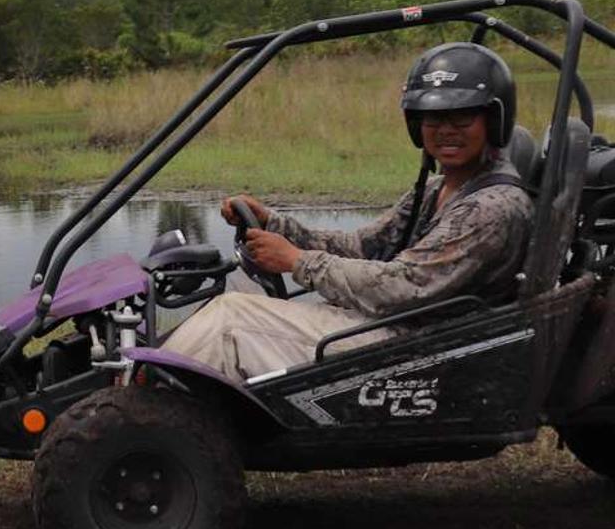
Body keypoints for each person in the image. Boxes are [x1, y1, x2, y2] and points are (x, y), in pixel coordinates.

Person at [163, 42, 534, 382]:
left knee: (229, 320)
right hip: (393, 327)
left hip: (420, 348)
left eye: (462, 119)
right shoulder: (440, 187)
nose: (446, 131)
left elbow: (403, 286)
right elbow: (362, 245)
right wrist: (275, 224)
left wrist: (297, 262)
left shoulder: (492, 207)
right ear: (416, 126)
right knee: (237, 294)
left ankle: (150, 416)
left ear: (493, 120)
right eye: (434, 119)